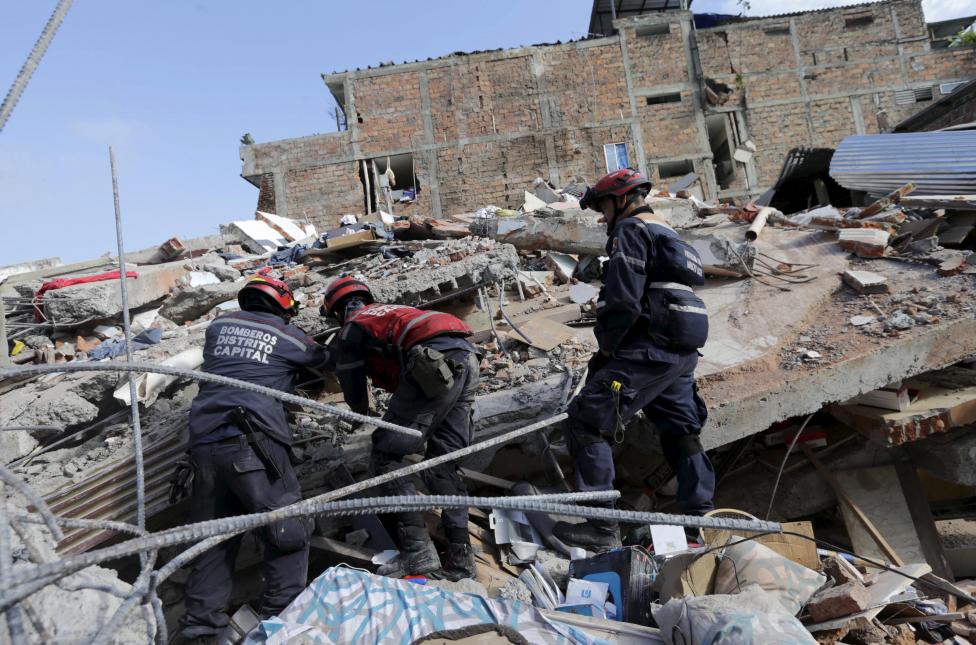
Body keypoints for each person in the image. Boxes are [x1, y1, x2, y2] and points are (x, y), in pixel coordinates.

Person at [551, 168, 714, 551]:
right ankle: (700, 520)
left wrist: (607, 350)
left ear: (621, 199)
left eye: (603, 207)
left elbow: (623, 298)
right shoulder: (667, 231)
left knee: (587, 420)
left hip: (649, 347)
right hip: (679, 351)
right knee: (681, 431)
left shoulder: (630, 231)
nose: (602, 217)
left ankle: (602, 526)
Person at [180, 275, 328, 644]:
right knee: (287, 529)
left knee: (214, 540)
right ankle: (282, 621)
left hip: (204, 448)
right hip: (253, 444)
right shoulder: (289, 335)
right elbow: (322, 359)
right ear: (283, 306)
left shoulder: (219, 326)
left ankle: (201, 631)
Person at [320, 276, 480, 581]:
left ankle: (419, 553)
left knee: (386, 455)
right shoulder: (390, 311)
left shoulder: (353, 326)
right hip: (467, 358)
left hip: (432, 363)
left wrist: (359, 413)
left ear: (336, 310)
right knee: (443, 464)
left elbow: (352, 382)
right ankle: (462, 561)